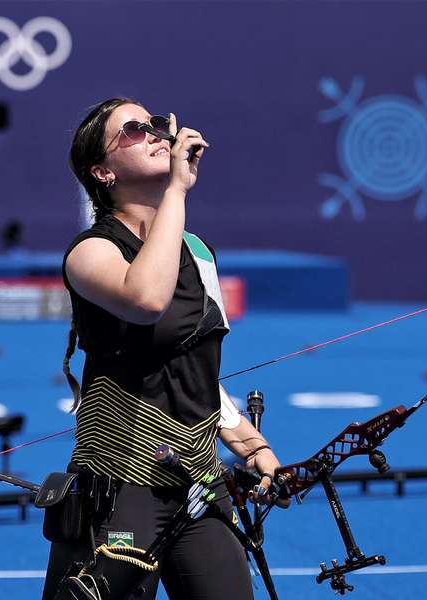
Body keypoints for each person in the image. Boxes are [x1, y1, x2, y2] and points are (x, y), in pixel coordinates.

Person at [42, 98, 285, 600]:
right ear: (102, 172)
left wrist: (248, 442)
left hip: (197, 480)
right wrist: (176, 189)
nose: (155, 134)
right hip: (119, 483)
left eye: (156, 124)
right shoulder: (90, 252)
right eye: (133, 129)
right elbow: (146, 298)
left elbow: (192, 367)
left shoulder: (197, 251)